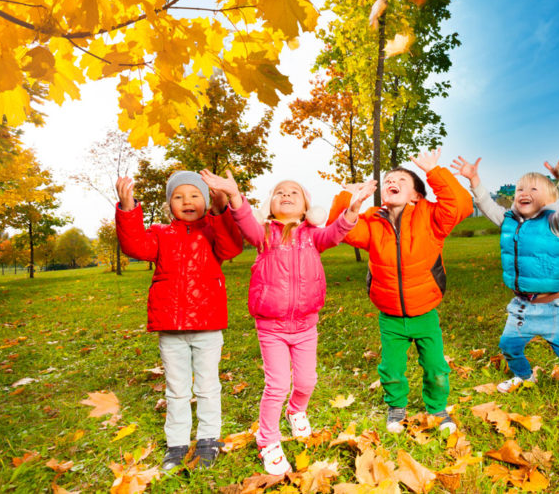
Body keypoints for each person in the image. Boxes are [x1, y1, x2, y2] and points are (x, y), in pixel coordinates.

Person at [201, 169, 376, 475]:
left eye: (293, 192)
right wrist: (233, 195)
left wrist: (354, 207)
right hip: (272, 327)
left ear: (306, 207)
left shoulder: (313, 236)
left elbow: (336, 232)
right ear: (270, 205)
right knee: (278, 384)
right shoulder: (264, 235)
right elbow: (244, 221)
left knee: (308, 381)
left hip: (306, 326)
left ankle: (296, 410)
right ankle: (267, 440)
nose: (286, 195)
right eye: (280, 191)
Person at [327, 149, 473, 434]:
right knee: (391, 369)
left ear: (416, 195)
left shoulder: (431, 217)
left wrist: (434, 172)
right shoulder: (371, 221)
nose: (392, 180)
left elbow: (461, 206)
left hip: (425, 312)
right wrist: (350, 198)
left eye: (401, 179)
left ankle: (437, 408)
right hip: (390, 316)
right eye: (388, 179)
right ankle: (396, 407)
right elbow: (340, 230)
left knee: (436, 368)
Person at [115, 171, 243, 471]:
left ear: (206, 200)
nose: (187, 201)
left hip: (208, 326)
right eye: (179, 196)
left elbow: (232, 247)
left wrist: (222, 207)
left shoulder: (213, 230)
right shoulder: (160, 234)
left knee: (208, 386)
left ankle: (209, 438)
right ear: (169, 204)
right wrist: (127, 207)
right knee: (176, 389)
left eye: (195, 195)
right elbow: (135, 246)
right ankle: (177, 443)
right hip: (171, 329)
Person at [451, 154, 559, 409]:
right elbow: (486, 204)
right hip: (521, 306)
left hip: (554, 307)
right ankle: (524, 376)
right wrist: (474, 180)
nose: (523, 192)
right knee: (508, 345)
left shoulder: (555, 222)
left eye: (532, 188)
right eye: (519, 189)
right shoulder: (509, 221)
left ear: (551, 199)